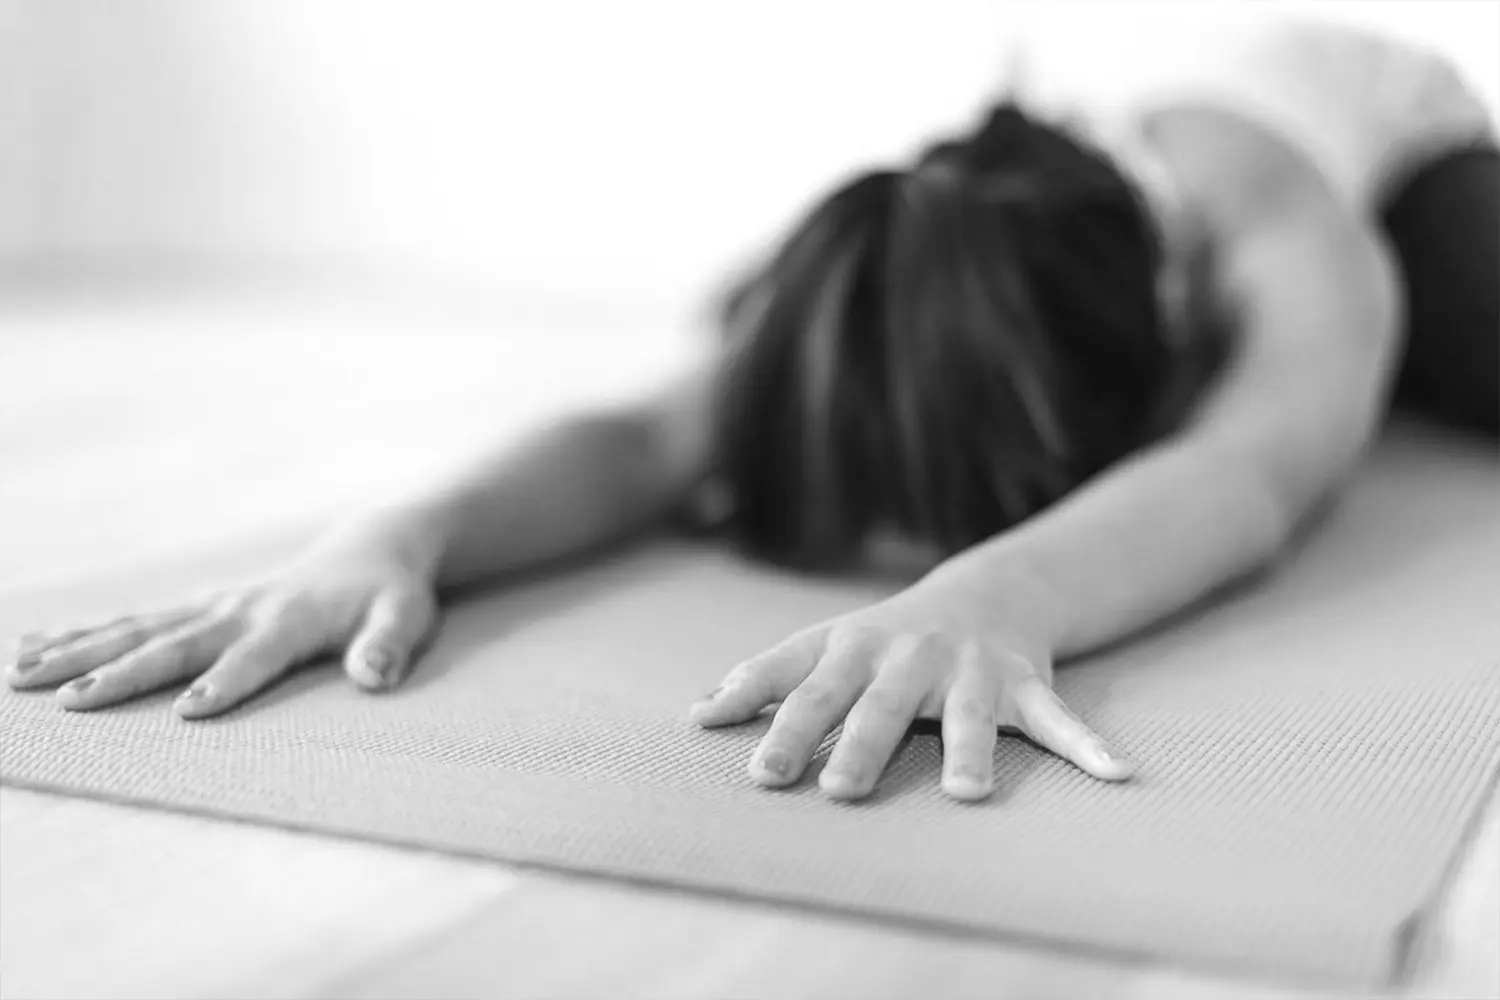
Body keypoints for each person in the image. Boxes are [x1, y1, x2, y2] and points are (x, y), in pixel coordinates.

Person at [7, 14, 1496, 802]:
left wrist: (994, 593)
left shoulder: (1284, 234)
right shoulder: (914, 246)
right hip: (1035, 181)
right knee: (764, 321)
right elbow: (649, 437)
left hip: (1422, 167)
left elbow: (1254, 465)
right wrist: (396, 539)